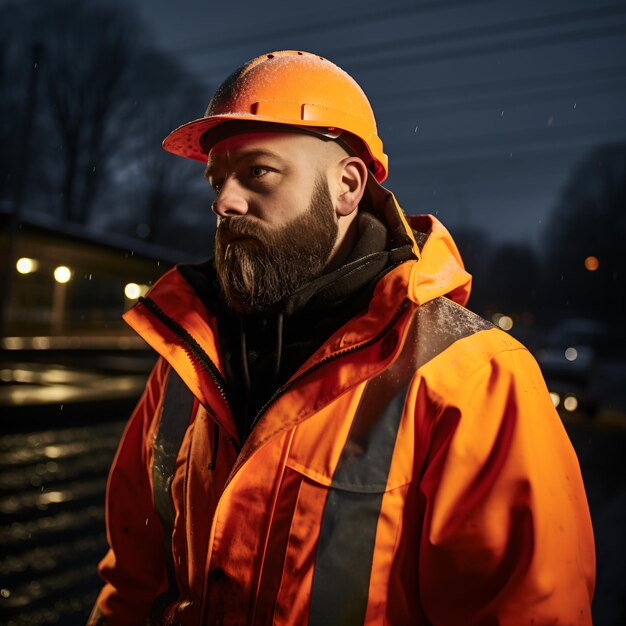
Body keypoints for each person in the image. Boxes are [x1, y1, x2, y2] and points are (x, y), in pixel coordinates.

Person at [88, 50, 595, 626]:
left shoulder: (472, 376)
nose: (224, 202)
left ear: (347, 187)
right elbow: (133, 582)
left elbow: (526, 612)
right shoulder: (185, 360)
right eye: (218, 179)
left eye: (258, 172)